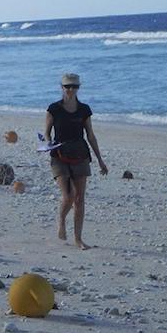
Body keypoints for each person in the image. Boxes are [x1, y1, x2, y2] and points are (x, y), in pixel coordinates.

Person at [43, 73, 108, 249]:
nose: (71, 89)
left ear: (79, 87)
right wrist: (49, 143)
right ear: (61, 87)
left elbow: (91, 135)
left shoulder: (84, 109)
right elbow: (47, 132)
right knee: (68, 196)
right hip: (59, 155)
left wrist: (100, 160)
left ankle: (78, 239)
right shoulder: (53, 109)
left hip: (80, 154)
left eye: (74, 86)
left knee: (79, 199)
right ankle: (61, 221)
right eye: (67, 86)